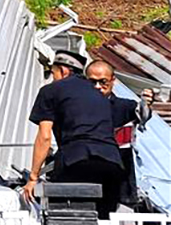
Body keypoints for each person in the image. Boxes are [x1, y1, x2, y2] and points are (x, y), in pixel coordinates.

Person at [23, 50, 124, 219]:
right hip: (112, 162)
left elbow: (45, 136)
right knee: (103, 218)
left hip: (75, 160)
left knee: (66, 216)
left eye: (52, 72)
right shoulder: (99, 93)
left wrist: (33, 177)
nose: (51, 77)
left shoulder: (51, 91)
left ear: (63, 71)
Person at [85, 59, 154, 208]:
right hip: (87, 175)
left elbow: (143, 115)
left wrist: (145, 104)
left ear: (113, 80)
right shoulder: (77, 107)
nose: (98, 87)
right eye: (92, 82)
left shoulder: (126, 107)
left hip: (120, 178)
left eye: (103, 82)